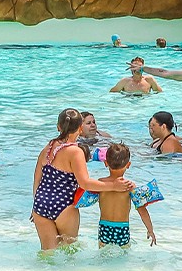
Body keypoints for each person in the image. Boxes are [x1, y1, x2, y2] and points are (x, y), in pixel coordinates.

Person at [30, 108, 131, 251]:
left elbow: (37, 178)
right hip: (64, 205)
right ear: (80, 128)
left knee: (48, 253)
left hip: (40, 204)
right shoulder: (75, 151)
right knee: (69, 253)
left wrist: (36, 203)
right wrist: (113, 185)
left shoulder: (48, 147)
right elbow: (85, 182)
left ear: (59, 127)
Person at [91, 143, 157, 248]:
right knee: (124, 254)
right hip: (122, 228)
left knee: (103, 256)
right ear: (128, 165)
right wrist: (150, 230)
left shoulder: (101, 183)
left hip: (104, 227)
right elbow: (142, 210)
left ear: (105, 163)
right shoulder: (130, 186)